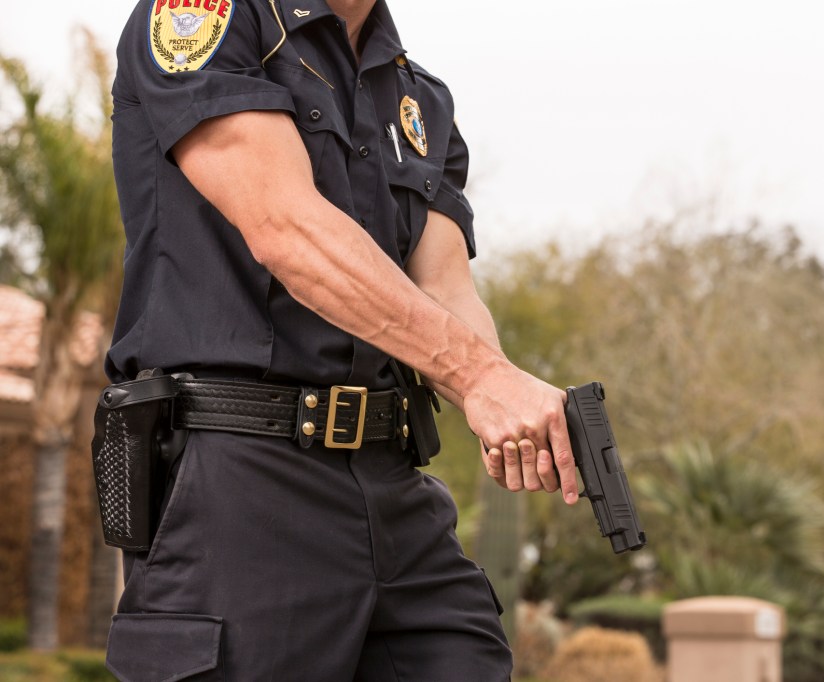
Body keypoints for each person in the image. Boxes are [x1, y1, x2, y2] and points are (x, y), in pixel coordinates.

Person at [102, 0, 578, 679]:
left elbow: (444, 290)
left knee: (465, 655)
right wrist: (478, 378)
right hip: (240, 479)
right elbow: (286, 229)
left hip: (393, 480)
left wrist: (509, 401)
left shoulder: (418, 97)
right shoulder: (209, 19)